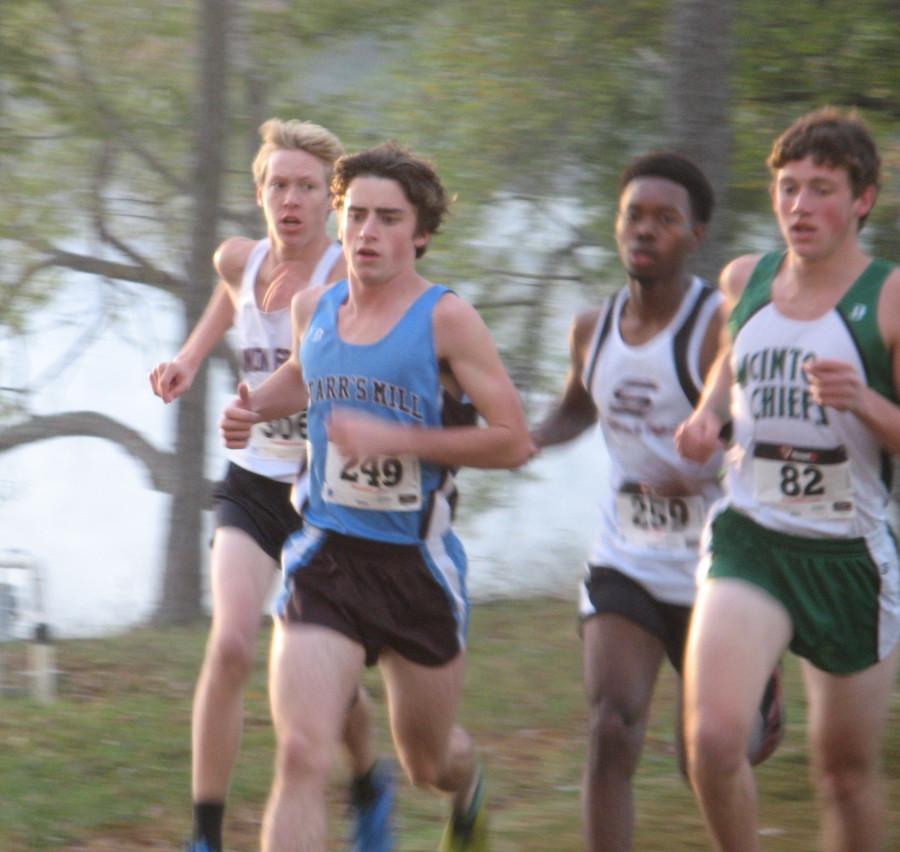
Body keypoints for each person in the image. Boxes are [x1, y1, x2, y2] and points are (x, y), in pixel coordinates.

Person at [220, 141, 533, 852]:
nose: (367, 233)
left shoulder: (446, 319)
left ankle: (469, 787)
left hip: (415, 570)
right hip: (327, 557)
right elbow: (307, 373)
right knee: (301, 754)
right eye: (355, 215)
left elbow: (513, 439)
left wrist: (402, 442)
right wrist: (254, 405)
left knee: (430, 764)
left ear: (419, 233)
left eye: (388, 219)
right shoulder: (314, 307)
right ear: (338, 220)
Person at [149, 118, 392, 852]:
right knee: (229, 645)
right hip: (253, 483)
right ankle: (205, 834)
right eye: (278, 185)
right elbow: (231, 296)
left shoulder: (348, 282)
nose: (291, 199)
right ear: (260, 195)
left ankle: (370, 782)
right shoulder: (239, 258)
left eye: (307, 188)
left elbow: (365, 374)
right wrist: (191, 360)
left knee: (328, 684)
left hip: (327, 502)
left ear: (331, 201)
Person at [532, 152, 784, 852]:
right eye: (634, 215)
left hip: (718, 565)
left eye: (665, 219)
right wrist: (524, 439)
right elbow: (577, 410)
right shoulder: (591, 327)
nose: (645, 230)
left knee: (706, 758)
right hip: (627, 558)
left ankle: (760, 690)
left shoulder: (715, 328)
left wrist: (707, 462)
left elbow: (764, 427)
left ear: (695, 234)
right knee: (611, 728)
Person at [676, 107, 900, 851]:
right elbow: (727, 361)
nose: (800, 207)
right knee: (711, 741)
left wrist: (866, 402)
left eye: (823, 189)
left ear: (863, 199)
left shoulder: (891, 300)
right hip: (753, 537)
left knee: (842, 775)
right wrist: (709, 416)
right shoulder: (748, 277)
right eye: (788, 188)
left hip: (850, 554)